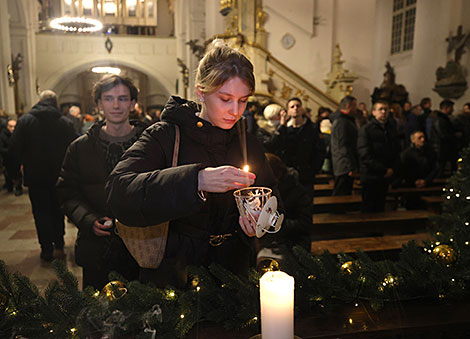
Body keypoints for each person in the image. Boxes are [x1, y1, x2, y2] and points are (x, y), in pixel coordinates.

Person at [105, 40, 280, 288]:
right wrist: (195, 180)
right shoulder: (165, 135)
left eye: (243, 101)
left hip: (233, 273)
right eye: (225, 98)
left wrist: (259, 220)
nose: (235, 110)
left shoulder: (247, 142)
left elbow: (275, 202)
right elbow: (117, 191)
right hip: (174, 274)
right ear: (201, 92)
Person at [57, 75, 145, 290]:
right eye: (109, 98)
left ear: (133, 103)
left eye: (123, 98)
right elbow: (67, 193)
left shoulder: (149, 143)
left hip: (142, 246)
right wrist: (88, 220)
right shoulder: (79, 148)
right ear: (98, 104)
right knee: (97, 315)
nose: (116, 105)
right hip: (96, 248)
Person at [8, 90, 78, 261]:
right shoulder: (65, 123)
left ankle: (46, 248)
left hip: (35, 176)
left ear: (39, 101)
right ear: (56, 103)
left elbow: (14, 149)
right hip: (59, 176)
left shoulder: (25, 121)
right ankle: (59, 241)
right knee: (57, 209)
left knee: (40, 212)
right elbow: (76, 149)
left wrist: (14, 173)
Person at [258, 153, 312, 259]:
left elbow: (305, 224)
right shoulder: (262, 191)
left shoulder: (297, 191)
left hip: (292, 242)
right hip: (268, 242)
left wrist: (276, 223)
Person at [270, 97, 324, 199]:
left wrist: (313, 169)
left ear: (302, 109)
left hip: (306, 174)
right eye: (292, 107)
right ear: (288, 111)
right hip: (289, 175)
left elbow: (319, 150)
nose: (295, 108)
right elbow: (275, 146)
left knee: (307, 203)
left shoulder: (312, 128)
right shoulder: (285, 130)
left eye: (298, 106)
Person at [357, 100, 400, 212]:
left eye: (385, 109)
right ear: (373, 112)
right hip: (371, 175)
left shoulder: (391, 128)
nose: (384, 112)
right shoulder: (366, 129)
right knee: (369, 208)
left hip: (386, 175)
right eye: (380, 109)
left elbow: (395, 149)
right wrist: (383, 169)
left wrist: (392, 169)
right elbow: (365, 153)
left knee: (381, 207)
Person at [398, 130, 439, 209]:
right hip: (411, 187)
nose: (423, 140)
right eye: (419, 138)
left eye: (423, 137)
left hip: (427, 185)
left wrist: (426, 180)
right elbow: (404, 170)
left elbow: (434, 168)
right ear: (413, 140)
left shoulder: (430, 152)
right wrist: (414, 181)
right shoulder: (406, 154)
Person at [330, 96, 359, 195]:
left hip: (345, 164)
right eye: (355, 105)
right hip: (343, 165)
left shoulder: (346, 120)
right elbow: (343, 145)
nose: (356, 108)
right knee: (341, 194)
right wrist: (349, 166)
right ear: (348, 106)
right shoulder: (342, 122)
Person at [430, 99, 458, 177]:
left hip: (444, 148)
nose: (453, 110)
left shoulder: (442, 119)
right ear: (446, 108)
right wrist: (454, 136)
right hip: (441, 148)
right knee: (440, 170)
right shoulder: (440, 120)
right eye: (451, 108)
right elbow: (443, 134)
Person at [0, 119, 22, 195]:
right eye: (11, 126)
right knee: (7, 173)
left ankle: (18, 188)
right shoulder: (2, 136)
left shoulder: (19, 135)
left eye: (14, 126)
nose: (13, 128)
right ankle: (9, 186)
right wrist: (10, 152)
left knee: (18, 174)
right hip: (7, 159)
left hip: (17, 158)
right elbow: (1, 148)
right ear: (7, 127)